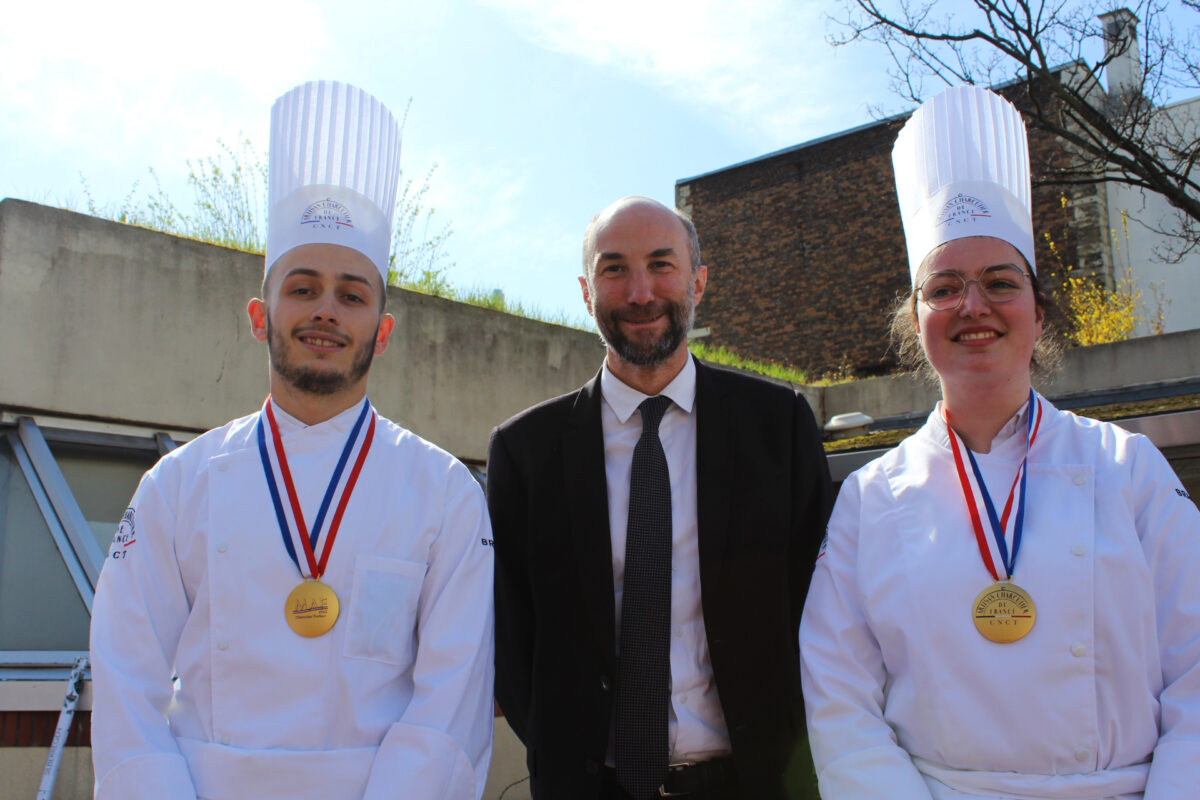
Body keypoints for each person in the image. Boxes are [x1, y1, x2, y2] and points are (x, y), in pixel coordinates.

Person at [89, 80, 494, 800]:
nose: (326, 312)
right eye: (302, 288)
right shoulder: (177, 485)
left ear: (383, 330)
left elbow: (451, 703)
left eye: (353, 294)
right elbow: (125, 671)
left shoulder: (445, 493)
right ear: (258, 315)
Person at [800, 84, 1200, 799]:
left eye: (998, 281)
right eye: (943, 287)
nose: (972, 306)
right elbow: (840, 700)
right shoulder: (869, 499)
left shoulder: (1126, 467)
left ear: (1038, 312)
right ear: (915, 319)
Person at [488, 196, 833, 800]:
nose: (640, 292)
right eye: (614, 268)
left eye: (661, 264)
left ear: (698, 279)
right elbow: (511, 635)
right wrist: (558, 747)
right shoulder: (525, 452)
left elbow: (825, 608)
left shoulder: (778, 427)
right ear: (586, 290)